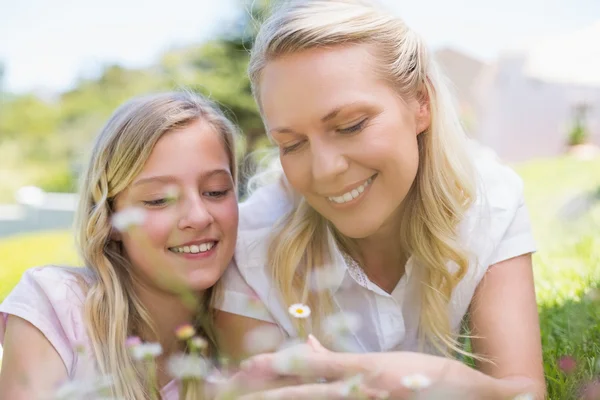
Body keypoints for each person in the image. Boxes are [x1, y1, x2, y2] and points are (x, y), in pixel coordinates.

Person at [215, 0, 546, 398]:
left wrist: (372, 374)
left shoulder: (490, 202)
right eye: (291, 144)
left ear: (420, 103)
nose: (324, 170)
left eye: (350, 126)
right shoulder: (251, 244)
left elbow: (524, 392)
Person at [0, 91, 240, 400]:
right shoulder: (56, 305)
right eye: (159, 200)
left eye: (215, 191)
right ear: (110, 217)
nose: (197, 216)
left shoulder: (253, 324)